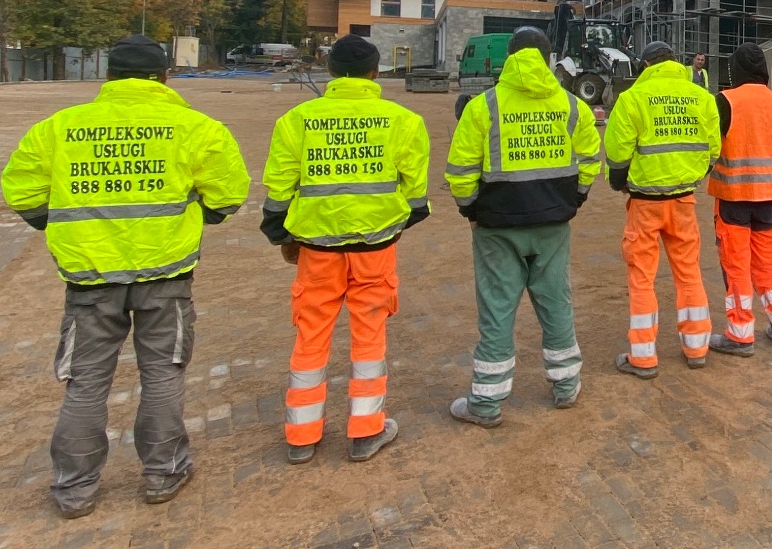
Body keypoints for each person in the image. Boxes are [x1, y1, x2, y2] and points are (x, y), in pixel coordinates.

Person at [1, 34, 249, 518]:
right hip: (166, 273)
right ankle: (163, 471)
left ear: (109, 76)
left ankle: (75, 486)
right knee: (163, 373)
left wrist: (65, 225)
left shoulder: (60, 128)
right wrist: (188, 221)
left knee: (86, 380)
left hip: (90, 278)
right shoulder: (195, 128)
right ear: (163, 77)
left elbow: (23, 192)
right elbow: (228, 195)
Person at [261, 34, 429, 464]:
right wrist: (390, 224)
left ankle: (301, 435)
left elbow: (278, 193)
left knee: (311, 334)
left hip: (316, 249)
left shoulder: (296, 121)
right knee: (369, 333)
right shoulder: (403, 121)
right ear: (375, 73)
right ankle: (366, 430)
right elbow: (415, 199)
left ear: (330, 70)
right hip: (375, 247)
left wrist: (284, 237)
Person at [442, 26, 602, 426]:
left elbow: (461, 172)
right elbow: (589, 162)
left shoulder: (484, 107)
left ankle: (486, 404)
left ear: (510, 57)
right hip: (553, 224)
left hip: (497, 227)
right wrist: (575, 200)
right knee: (556, 304)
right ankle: (567, 387)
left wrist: (471, 211)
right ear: (549, 60)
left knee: (497, 311)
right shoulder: (571, 106)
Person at [603, 40, 721, 376]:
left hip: (644, 202)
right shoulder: (701, 97)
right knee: (688, 273)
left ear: (645, 65)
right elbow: (713, 150)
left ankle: (643, 356)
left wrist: (620, 183)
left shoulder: (631, 99)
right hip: (683, 200)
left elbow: (617, 156)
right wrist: (692, 176)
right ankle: (697, 347)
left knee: (642, 278)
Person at [706, 42, 772, 355]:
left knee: (736, 267)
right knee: (767, 264)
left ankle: (740, 334)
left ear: (736, 70)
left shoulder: (726, 100)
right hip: (769, 201)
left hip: (733, 199)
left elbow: (710, 148)